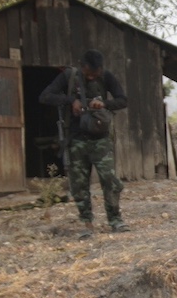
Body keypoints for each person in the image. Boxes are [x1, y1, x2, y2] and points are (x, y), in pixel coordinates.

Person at [39, 49, 129, 236]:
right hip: (76, 139)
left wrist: (104, 103)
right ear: (82, 67)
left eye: (95, 75)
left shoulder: (106, 77)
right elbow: (45, 96)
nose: (91, 77)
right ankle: (87, 224)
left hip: (101, 139)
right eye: (89, 74)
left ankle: (115, 220)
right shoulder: (69, 76)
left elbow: (123, 100)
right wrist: (70, 101)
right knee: (79, 186)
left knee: (110, 180)